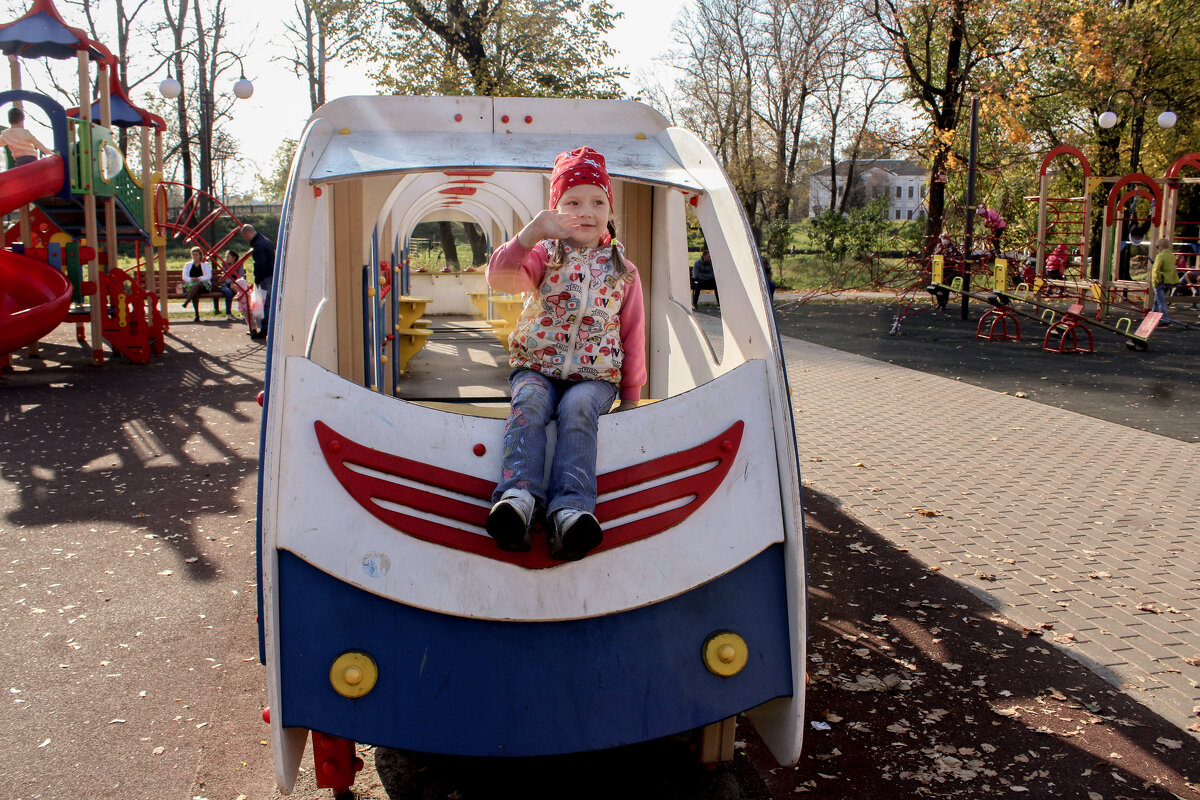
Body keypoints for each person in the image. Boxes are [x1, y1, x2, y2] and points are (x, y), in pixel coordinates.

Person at [484, 146, 646, 561]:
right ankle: (519, 498)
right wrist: (529, 235)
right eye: (572, 202)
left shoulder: (623, 270)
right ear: (555, 210)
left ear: (609, 210)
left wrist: (631, 396)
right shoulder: (543, 256)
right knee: (530, 401)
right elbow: (501, 278)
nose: (585, 211)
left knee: (577, 411)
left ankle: (570, 510)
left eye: (597, 202)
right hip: (537, 367)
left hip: (595, 378)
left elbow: (632, 331)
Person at [241, 224, 275, 339]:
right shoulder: (266, 241)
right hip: (271, 274)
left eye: (244, 236)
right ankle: (269, 328)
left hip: (265, 276)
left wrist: (257, 280)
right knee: (268, 302)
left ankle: (264, 330)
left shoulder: (258, 245)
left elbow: (260, 264)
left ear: (247, 233)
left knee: (265, 303)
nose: (245, 239)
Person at [1150, 237, 1180, 324]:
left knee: (1160, 302)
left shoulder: (1160, 256)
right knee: (1157, 300)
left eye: (1157, 246)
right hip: (1168, 282)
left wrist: (1156, 281)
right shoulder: (1171, 256)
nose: (1157, 248)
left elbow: (1156, 269)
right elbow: (1172, 269)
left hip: (1161, 281)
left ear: (1161, 246)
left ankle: (1165, 318)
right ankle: (1152, 315)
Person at [180, 246, 212, 323]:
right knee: (195, 292)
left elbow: (209, 276)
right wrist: (191, 279)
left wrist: (199, 278)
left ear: (200, 255)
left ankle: (187, 301)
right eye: (193, 254)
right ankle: (197, 315)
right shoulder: (188, 265)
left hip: (204, 286)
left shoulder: (205, 264)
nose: (194, 256)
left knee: (197, 285)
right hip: (191, 286)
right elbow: (184, 276)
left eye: (196, 254)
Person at [216, 249, 246, 319]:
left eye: (228, 257)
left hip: (237, 283)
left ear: (233, 258)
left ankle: (243, 312)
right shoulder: (224, 263)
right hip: (226, 284)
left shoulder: (239, 263)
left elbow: (241, 275)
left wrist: (235, 284)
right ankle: (228, 313)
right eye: (226, 257)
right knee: (229, 292)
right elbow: (224, 275)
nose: (226, 259)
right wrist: (230, 283)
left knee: (242, 292)